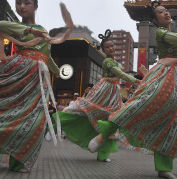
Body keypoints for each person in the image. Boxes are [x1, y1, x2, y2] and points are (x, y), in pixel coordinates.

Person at [90, 1, 177, 179]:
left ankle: (164, 167)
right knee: (143, 104)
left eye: (167, 11)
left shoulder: (171, 33)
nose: (166, 13)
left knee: (172, 119)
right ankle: (105, 133)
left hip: (176, 78)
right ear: (155, 20)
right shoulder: (162, 33)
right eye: (161, 12)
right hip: (164, 75)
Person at [0, 0, 74, 172]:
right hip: (20, 73)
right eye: (18, 3)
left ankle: (20, 160)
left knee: (35, 120)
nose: (22, 6)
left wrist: (57, 72)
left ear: (36, 6)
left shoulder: (43, 30)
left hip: (39, 80)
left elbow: (45, 55)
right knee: (13, 115)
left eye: (26, 3)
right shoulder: (15, 26)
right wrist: (31, 30)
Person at [54, 29, 140, 162]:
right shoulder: (108, 62)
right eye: (107, 47)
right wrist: (136, 81)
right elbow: (121, 74)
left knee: (109, 119)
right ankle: (56, 124)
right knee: (86, 109)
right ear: (104, 50)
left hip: (113, 91)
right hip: (104, 89)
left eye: (112, 46)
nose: (111, 48)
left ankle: (103, 154)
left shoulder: (115, 62)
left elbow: (120, 76)